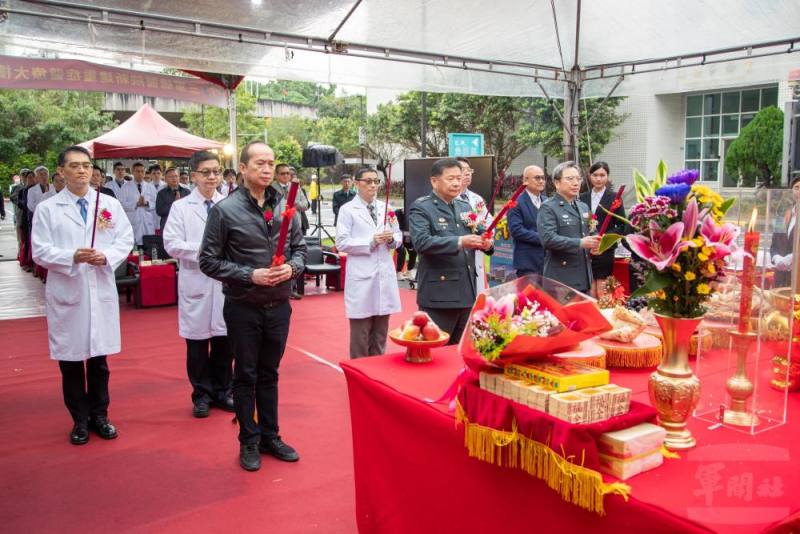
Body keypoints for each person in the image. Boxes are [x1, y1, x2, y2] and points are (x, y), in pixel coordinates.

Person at [199, 141, 307, 472]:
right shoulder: (225, 210)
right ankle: (248, 439)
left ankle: (270, 436)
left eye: (271, 163)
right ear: (242, 169)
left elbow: (300, 250)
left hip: (278, 305)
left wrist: (293, 268)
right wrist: (250, 274)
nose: (266, 169)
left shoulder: (288, 207)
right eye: (259, 163)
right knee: (244, 375)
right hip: (243, 305)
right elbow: (208, 261)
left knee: (269, 373)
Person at [31, 145, 134, 445]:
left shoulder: (108, 204)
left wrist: (108, 256)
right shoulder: (48, 208)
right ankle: (79, 420)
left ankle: (100, 416)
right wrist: (71, 256)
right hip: (69, 290)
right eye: (74, 166)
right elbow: (40, 250)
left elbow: (124, 238)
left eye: (86, 166)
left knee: (99, 361)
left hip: (99, 287)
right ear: (61, 171)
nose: (82, 171)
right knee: (71, 360)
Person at [164, 151, 233, 418]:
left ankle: (222, 391)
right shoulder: (181, 208)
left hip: (224, 284)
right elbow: (171, 244)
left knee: (225, 343)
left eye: (216, 171)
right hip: (197, 281)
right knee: (197, 346)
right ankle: (201, 394)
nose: (212, 177)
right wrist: (205, 251)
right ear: (193, 176)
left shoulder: (229, 204)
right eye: (206, 172)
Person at [409, 158, 493, 345]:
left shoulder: (464, 206)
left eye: (459, 177)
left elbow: (479, 232)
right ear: (434, 181)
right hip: (440, 293)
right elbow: (422, 243)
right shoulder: (422, 207)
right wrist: (460, 241)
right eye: (450, 178)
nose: (456, 183)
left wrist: (487, 243)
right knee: (437, 349)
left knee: (461, 349)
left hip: (467, 291)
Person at [335, 167, 402, 358]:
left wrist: (391, 239)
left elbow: (398, 236)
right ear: (357, 183)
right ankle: (358, 371)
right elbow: (342, 242)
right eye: (368, 181)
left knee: (380, 332)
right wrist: (371, 242)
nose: (373, 185)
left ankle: (377, 371)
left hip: (384, 273)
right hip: (361, 274)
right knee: (361, 333)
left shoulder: (386, 208)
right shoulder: (348, 210)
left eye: (376, 181)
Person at [537, 161, 601, 294]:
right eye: (570, 179)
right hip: (561, 279)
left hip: (584, 276)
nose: (576, 183)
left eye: (578, 179)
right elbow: (548, 239)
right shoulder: (548, 207)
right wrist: (580, 243)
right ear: (557, 183)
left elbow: (592, 230)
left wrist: (597, 244)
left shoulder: (583, 206)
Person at [579, 162, 627, 297]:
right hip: (586, 248)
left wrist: (604, 239)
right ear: (589, 176)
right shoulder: (582, 197)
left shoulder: (614, 198)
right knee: (589, 287)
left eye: (602, 175)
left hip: (604, 248)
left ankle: (604, 316)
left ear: (607, 176)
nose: (598, 179)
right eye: (595, 175)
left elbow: (622, 225)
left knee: (602, 288)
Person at [271, 164, 309, 300]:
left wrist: (294, 204)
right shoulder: (271, 189)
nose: (286, 176)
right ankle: (278, 286)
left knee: (295, 254)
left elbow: (305, 205)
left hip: (295, 225)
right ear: (276, 175)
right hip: (278, 227)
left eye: (288, 173)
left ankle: (292, 287)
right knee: (280, 257)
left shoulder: (296, 187)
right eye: (282, 174)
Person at [456, 157, 492, 291]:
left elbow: (489, 222)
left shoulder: (476, 199)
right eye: (462, 170)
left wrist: (485, 229)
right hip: (459, 254)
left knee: (478, 297)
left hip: (477, 253)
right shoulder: (448, 198)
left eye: (469, 170)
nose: (467, 173)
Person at [508, 165, 547, 277]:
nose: (541, 181)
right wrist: (544, 238)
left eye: (543, 178)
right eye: (537, 178)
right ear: (525, 180)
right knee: (529, 294)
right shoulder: (515, 202)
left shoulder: (547, 201)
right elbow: (516, 230)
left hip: (547, 261)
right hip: (527, 261)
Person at [771, 176, 800, 286]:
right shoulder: (783, 215)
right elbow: (774, 245)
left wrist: (794, 257)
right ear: (791, 191)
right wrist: (776, 258)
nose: (799, 191)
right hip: (781, 277)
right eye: (797, 187)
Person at [119, 162, 157, 246]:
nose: (140, 173)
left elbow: (155, 203)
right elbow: (121, 204)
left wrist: (146, 203)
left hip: (147, 222)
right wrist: (136, 203)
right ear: (133, 172)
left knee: (149, 247)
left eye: (142, 171)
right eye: (137, 171)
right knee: (135, 248)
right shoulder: (126, 187)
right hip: (133, 222)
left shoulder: (150, 186)